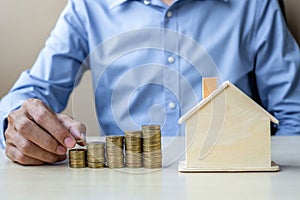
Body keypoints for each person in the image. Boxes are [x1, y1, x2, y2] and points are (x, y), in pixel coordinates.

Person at [0, 0, 299, 165]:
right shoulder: (86, 7)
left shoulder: (255, 5)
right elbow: (32, 92)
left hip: (233, 182)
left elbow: (294, 114)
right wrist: (17, 126)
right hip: (126, 184)